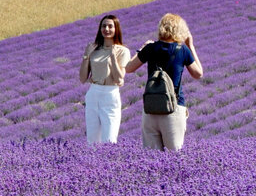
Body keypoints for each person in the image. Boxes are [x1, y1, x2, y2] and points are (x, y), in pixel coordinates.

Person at [125, 13, 203, 151]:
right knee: (174, 157)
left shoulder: (150, 48)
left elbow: (129, 68)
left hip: (151, 109)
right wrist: (190, 46)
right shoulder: (182, 50)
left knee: (151, 159)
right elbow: (198, 74)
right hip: (173, 109)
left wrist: (142, 49)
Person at [79, 14, 131, 145]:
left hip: (110, 93)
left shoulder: (123, 51)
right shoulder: (94, 50)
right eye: (104, 26)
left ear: (116, 29)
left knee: (109, 139)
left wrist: (113, 58)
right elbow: (82, 78)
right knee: (92, 140)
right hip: (93, 93)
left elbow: (119, 78)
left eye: (110, 26)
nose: (106, 29)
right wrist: (86, 56)